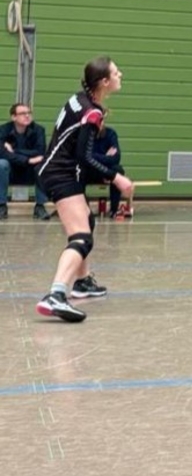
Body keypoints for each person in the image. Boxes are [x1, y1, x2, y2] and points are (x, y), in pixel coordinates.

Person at [35, 56, 134, 322]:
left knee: (87, 222)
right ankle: (56, 295)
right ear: (104, 81)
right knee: (81, 237)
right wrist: (116, 177)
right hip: (60, 175)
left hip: (60, 171)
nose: (120, 75)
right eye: (116, 72)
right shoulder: (92, 112)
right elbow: (84, 156)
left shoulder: (80, 98)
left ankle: (82, 282)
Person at [0, 103, 51, 220]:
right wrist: (27, 160)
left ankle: (40, 207)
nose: (27, 116)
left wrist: (14, 151)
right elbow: (2, 153)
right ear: (14, 117)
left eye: (29, 113)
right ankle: (1, 206)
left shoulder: (38, 130)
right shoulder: (3, 130)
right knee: (1, 164)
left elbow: (40, 152)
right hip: (11, 172)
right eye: (23, 113)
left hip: (30, 172)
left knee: (42, 164)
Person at [89, 112, 131, 218]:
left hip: (106, 172)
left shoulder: (111, 134)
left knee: (118, 170)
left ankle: (114, 210)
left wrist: (94, 156)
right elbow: (85, 157)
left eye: (101, 121)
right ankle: (83, 209)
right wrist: (105, 156)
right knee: (77, 170)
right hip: (90, 171)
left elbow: (116, 158)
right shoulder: (87, 136)